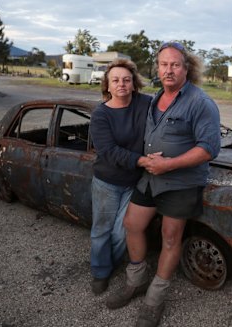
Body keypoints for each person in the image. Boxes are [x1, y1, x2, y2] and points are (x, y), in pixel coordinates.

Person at [105, 42, 221, 327]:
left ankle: (155, 299)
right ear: (157, 68)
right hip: (151, 177)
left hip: (181, 180)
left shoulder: (200, 102)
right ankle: (136, 282)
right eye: (163, 64)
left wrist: (167, 164)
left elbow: (209, 148)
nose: (168, 70)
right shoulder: (155, 98)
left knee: (171, 237)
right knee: (132, 224)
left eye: (175, 65)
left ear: (186, 68)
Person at [89, 58, 152, 295]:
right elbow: (108, 151)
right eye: (115, 80)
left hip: (133, 182)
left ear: (134, 84)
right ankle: (100, 272)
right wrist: (142, 160)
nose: (121, 84)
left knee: (121, 231)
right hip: (107, 182)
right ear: (107, 85)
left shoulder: (145, 103)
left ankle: (111, 262)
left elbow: (169, 106)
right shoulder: (101, 114)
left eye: (126, 80)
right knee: (102, 230)